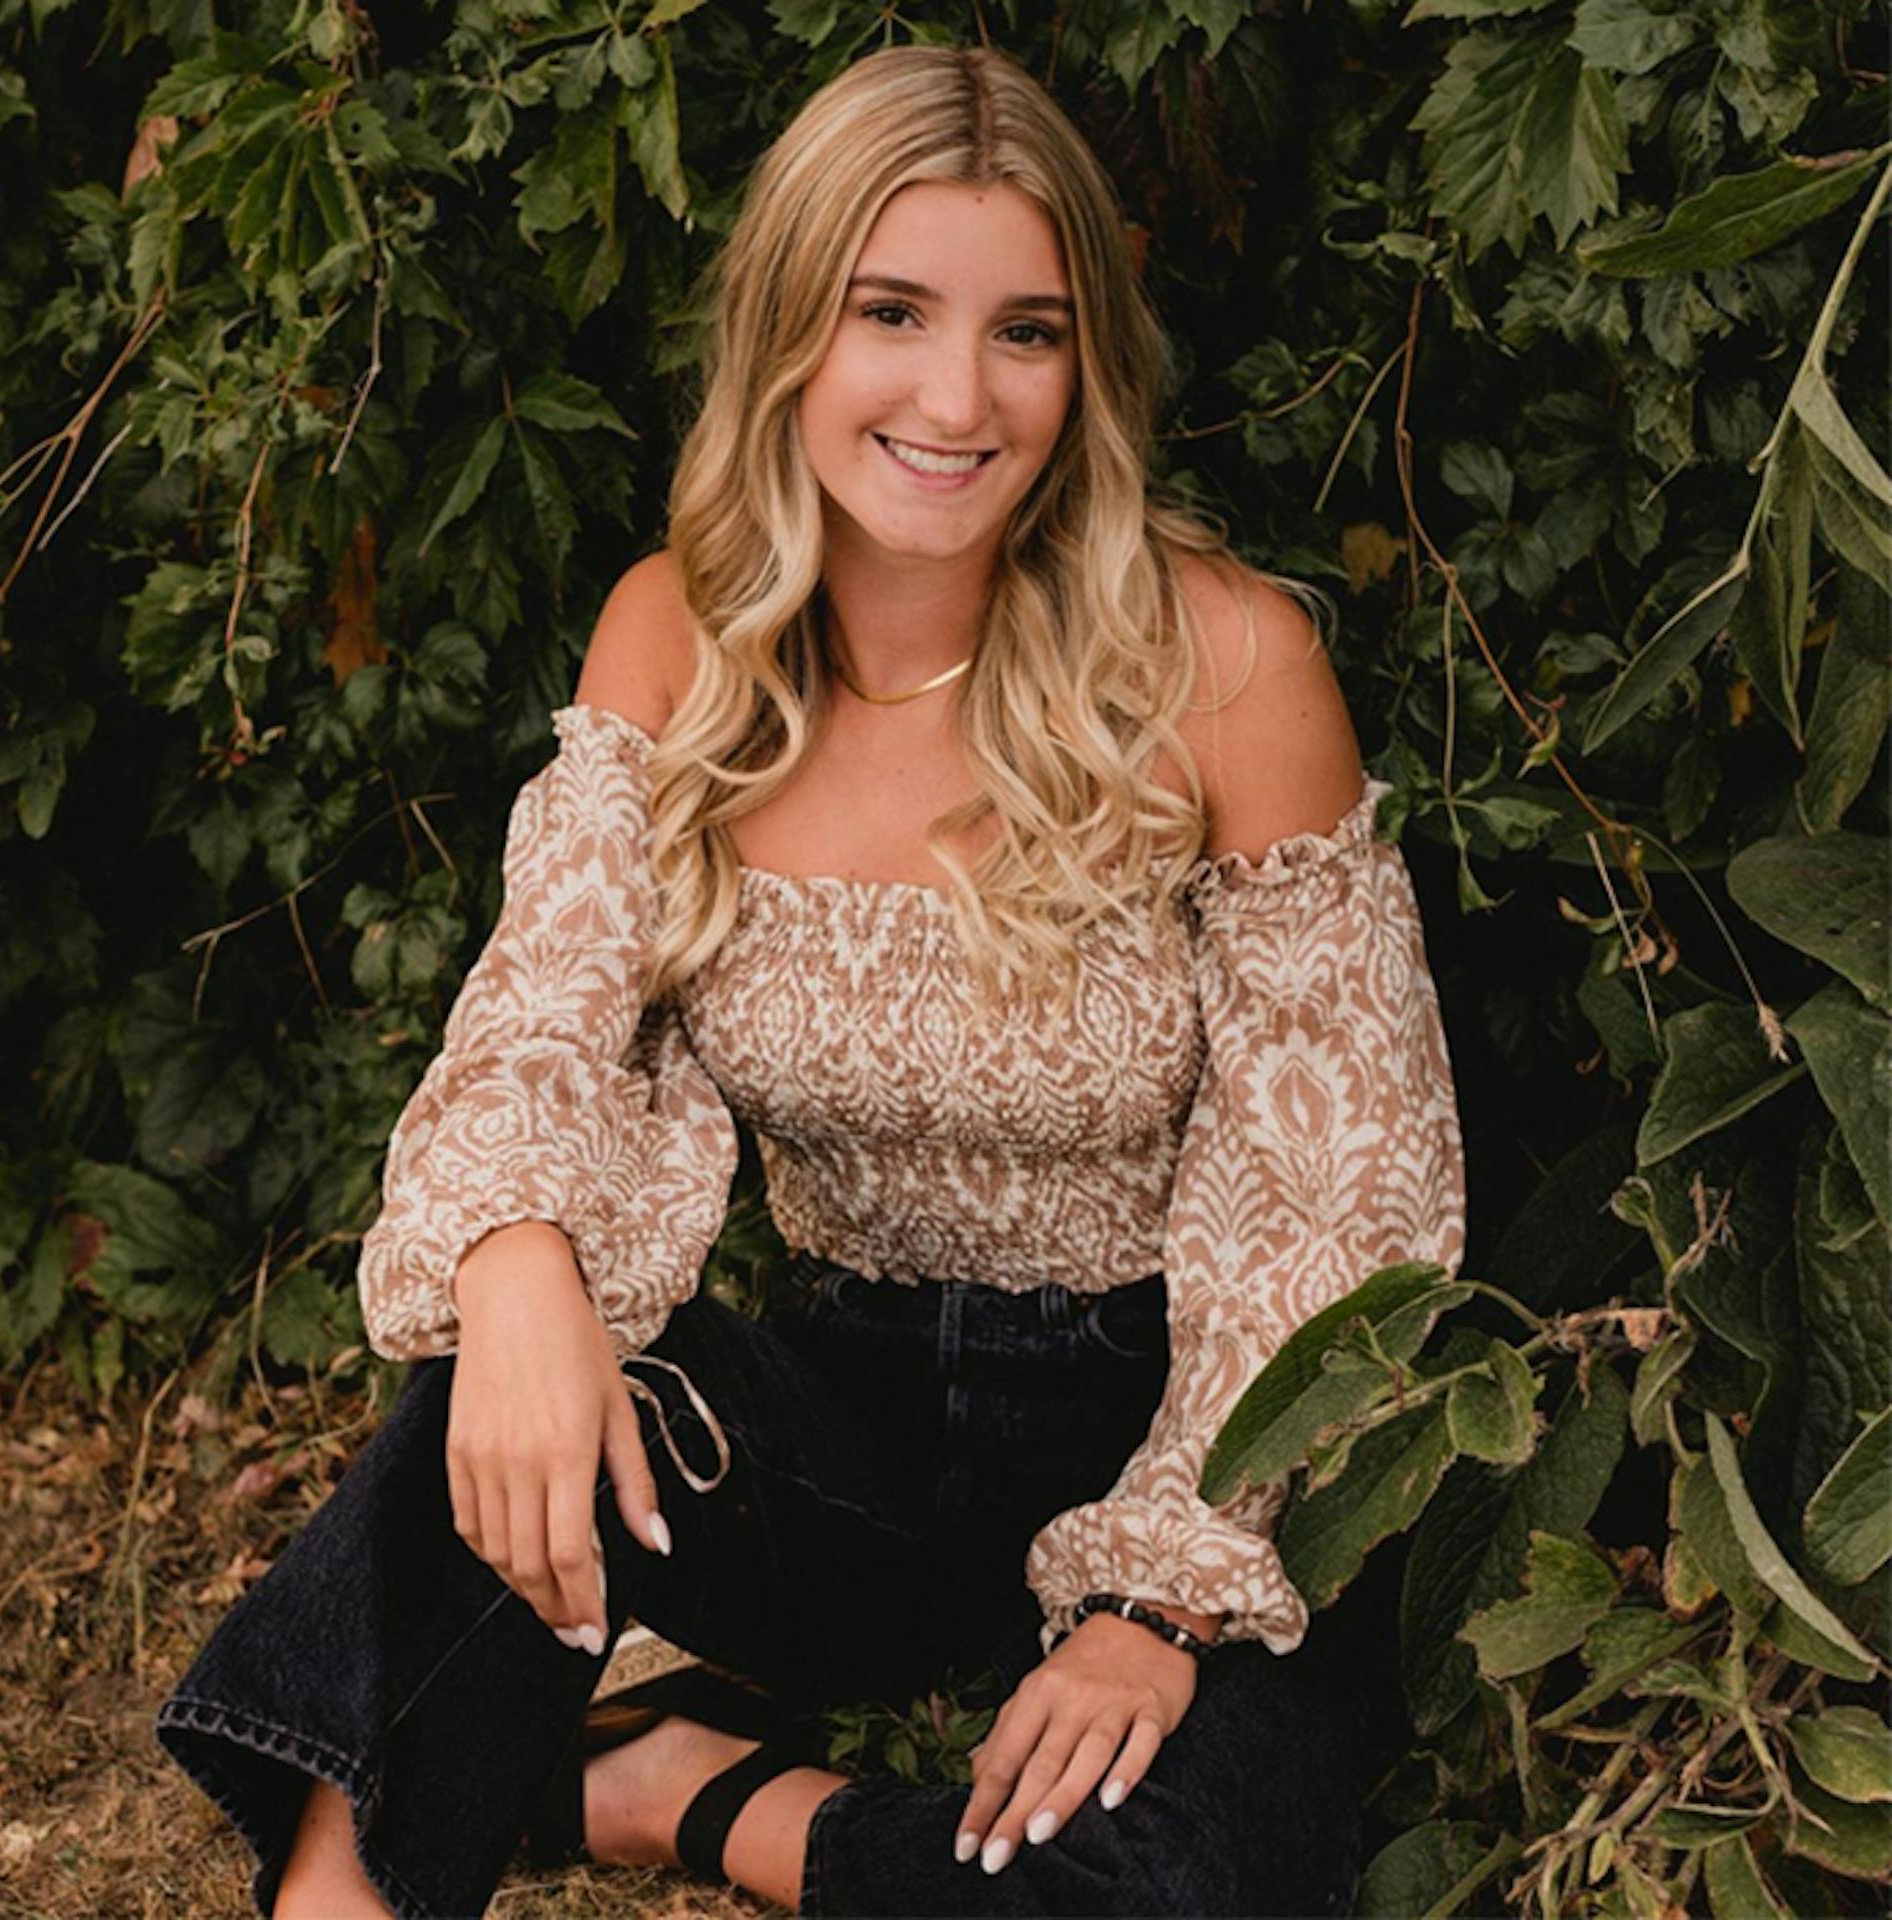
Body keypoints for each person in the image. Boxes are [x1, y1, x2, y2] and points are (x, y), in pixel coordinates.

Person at [156, 40, 1465, 1920]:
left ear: (1086, 365)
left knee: (1170, 1887)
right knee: (468, 1437)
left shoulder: (1224, 663)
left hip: (1180, 1423)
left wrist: (1159, 1597)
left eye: (1025, 329)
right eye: (893, 312)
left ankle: (689, 1797)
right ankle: (341, 1898)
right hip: (844, 1430)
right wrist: (518, 1260)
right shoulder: (679, 630)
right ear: (789, 331)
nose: (957, 394)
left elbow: (1349, 1198)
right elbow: (541, 1011)